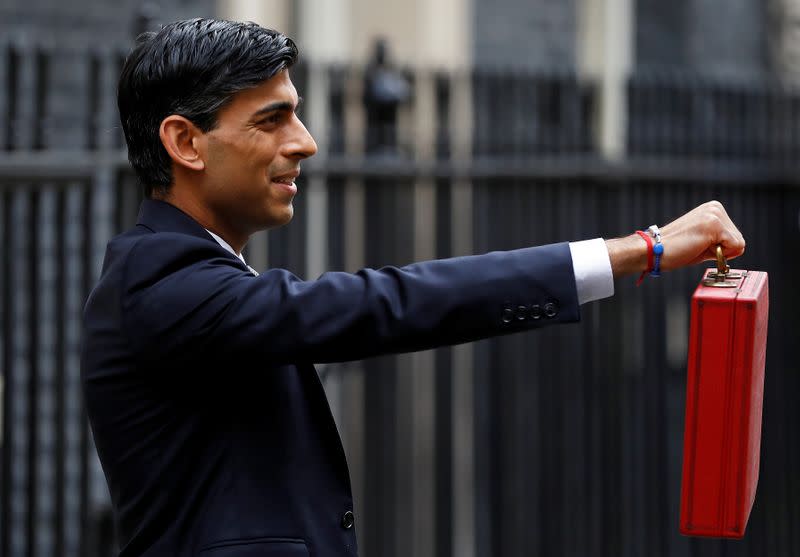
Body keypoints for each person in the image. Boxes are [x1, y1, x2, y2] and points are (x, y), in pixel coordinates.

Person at [81, 18, 746, 557]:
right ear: (185, 142)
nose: (305, 143)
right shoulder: (159, 279)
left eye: (298, 115)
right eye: (271, 120)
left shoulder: (194, 270)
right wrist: (643, 251)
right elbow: (386, 303)